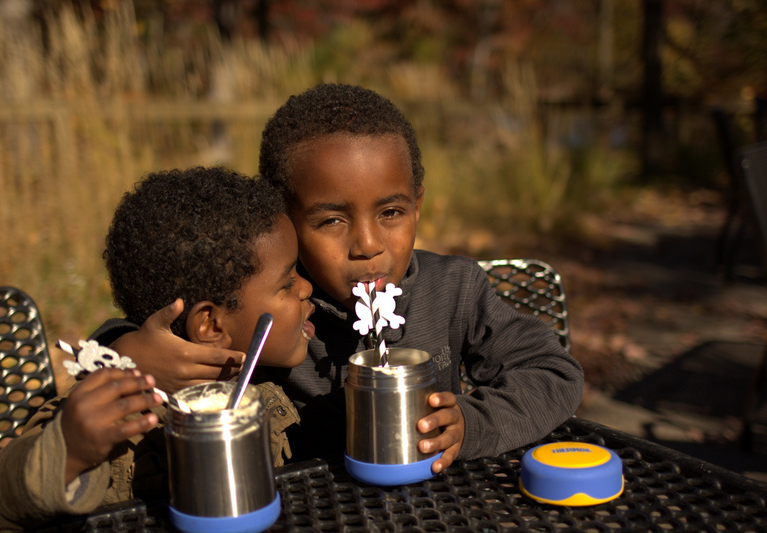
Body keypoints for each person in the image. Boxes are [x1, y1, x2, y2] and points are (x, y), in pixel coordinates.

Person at [92, 84, 584, 473]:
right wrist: (129, 351)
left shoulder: (454, 290)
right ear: (281, 219)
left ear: (418, 204)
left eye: (391, 212)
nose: (368, 244)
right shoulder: (272, 306)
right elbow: (161, 328)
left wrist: (470, 426)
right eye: (332, 221)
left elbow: (555, 372)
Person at [0, 167, 315, 531]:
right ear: (211, 326)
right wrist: (68, 450)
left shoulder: (259, 377)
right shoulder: (119, 420)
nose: (307, 288)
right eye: (287, 282)